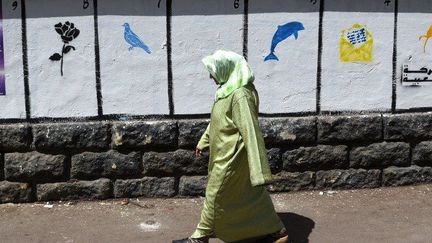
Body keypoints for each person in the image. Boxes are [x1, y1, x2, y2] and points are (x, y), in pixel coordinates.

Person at [173, 50, 288, 243]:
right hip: (222, 154)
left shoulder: (240, 95)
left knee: (215, 193)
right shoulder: (228, 90)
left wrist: (259, 170)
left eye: (213, 71)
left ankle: (199, 238)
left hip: (233, 157)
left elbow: (250, 129)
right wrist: (204, 140)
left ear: (227, 69)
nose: (211, 76)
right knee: (252, 195)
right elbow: (218, 121)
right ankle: (277, 231)